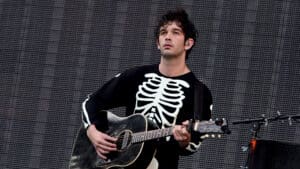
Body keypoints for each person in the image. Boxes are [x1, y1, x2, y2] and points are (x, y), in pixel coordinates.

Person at [81, 8, 213, 169]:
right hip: (117, 164)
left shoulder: (200, 92)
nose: (168, 37)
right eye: (163, 32)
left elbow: (194, 144)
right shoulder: (136, 76)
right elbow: (91, 101)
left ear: (188, 43)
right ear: (158, 43)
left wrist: (185, 140)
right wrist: (92, 132)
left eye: (176, 32)